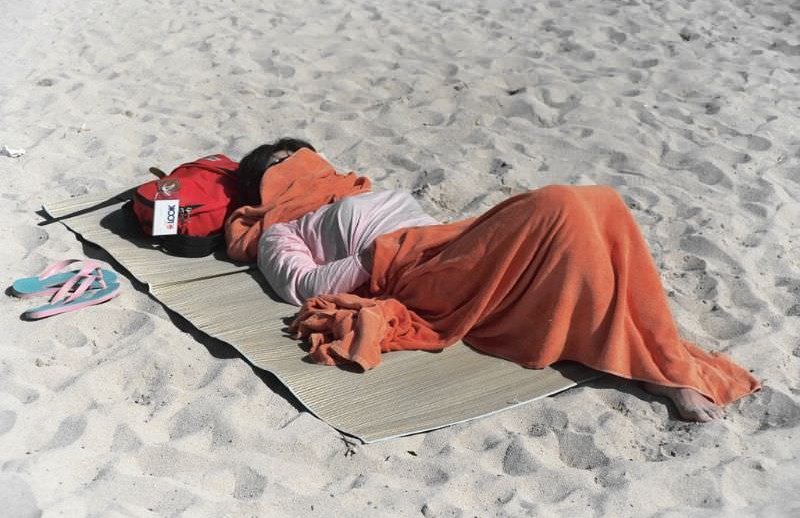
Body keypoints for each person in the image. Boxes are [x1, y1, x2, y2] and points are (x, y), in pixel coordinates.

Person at [232, 138, 759, 423]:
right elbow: (299, 286)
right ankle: (659, 370)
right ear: (265, 185)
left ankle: (647, 356)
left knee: (599, 207)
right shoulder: (281, 230)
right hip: (414, 274)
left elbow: (429, 229)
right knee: (561, 205)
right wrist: (377, 256)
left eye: (298, 154)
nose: (296, 166)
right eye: (279, 164)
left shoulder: (366, 191)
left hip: (448, 246)